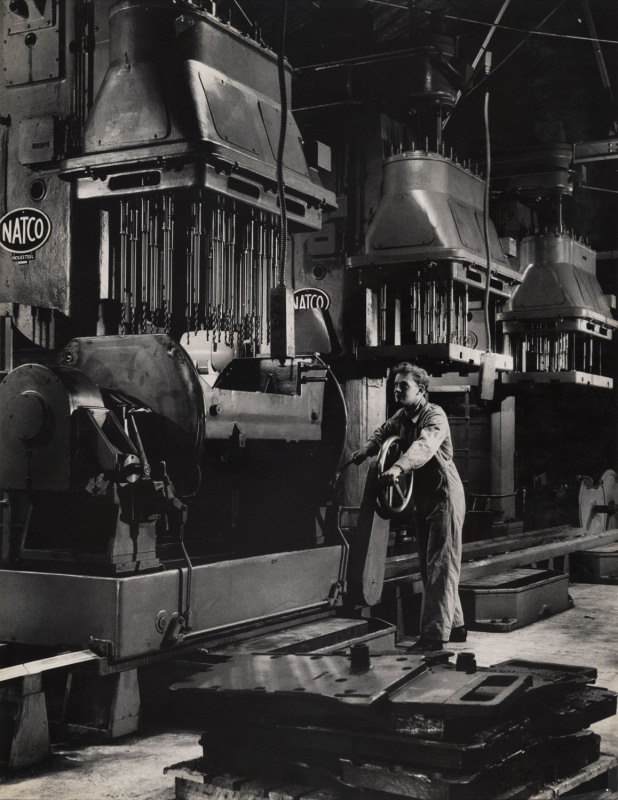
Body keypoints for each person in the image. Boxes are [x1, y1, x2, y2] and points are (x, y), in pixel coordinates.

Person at [351, 362, 467, 651]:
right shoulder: (402, 417)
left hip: (445, 495)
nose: (397, 389)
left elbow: (424, 447)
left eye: (404, 385)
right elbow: (382, 434)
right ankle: (456, 626)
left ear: (422, 390)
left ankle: (433, 637)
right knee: (434, 566)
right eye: (395, 385)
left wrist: (399, 467)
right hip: (423, 497)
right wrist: (366, 450)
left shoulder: (434, 415)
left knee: (440, 564)